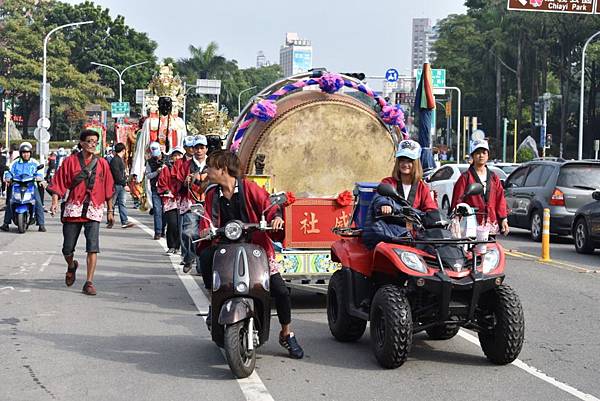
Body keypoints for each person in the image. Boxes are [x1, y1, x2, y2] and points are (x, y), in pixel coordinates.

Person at [197, 150, 304, 359]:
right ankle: (214, 303)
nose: (207, 170)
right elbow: (207, 218)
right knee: (206, 258)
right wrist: (204, 229)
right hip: (225, 249)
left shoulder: (249, 188)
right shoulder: (212, 194)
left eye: (211, 166)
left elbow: (269, 207)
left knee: (280, 290)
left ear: (223, 168)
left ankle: (286, 332)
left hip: (256, 250)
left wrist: (276, 218)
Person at [48, 129, 115, 296]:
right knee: (67, 248)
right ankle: (71, 265)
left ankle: (89, 282)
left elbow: (108, 188)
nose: (93, 144)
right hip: (73, 208)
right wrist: (55, 202)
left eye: (95, 142)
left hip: (93, 209)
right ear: (82, 143)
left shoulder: (103, 164)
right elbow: (59, 182)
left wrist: (110, 211)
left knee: (92, 247)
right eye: (90, 141)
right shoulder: (70, 162)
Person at [362, 140, 438, 248]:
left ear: (416, 163)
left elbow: (430, 210)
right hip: (391, 235)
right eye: (402, 160)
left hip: (415, 237)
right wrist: (386, 205)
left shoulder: (422, 187)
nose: (405, 164)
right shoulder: (388, 182)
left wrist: (434, 217)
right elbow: (380, 197)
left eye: (410, 161)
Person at [451, 138, 509, 235]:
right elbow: (457, 201)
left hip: (490, 224)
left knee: (491, 249)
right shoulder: (465, 177)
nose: (481, 155)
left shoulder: (494, 177)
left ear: (488, 155)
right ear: (473, 156)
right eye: (477, 153)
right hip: (470, 225)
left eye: (484, 152)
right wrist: (457, 219)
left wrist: (503, 219)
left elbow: (500, 199)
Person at [174, 135, 208, 273]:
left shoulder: (212, 164)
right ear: (192, 149)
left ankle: (202, 265)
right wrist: (185, 183)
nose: (199, 151)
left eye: (202, 147)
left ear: (206, 149)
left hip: (208, 204)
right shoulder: (185, 166)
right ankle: (189, 256)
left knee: (206, 235)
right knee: (189, 233)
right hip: (191, 203)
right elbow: (176, 185)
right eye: (196, 148)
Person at [1, 142, 46, 232]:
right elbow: (8, 171)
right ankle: (6, 223)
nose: (26, 154)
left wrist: (40, 179)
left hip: (31, 185)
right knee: (10, 201)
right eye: (24, 152)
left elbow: (40, 172)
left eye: (28, 152)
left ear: (30, 153)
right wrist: (7, 177)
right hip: (17, 185)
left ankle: (41, 224)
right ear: (21, 153)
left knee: (38, 202)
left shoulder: (34, 162)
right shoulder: (15, 163)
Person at [157, 146, 184, 253]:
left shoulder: (184, 167)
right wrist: (167, 191)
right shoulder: (166, 168)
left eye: (179, 155)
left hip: (181, 198)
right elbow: (161, 182)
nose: (177, 157)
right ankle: (171, 245)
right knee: (172, 223)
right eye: (175, 155)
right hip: (169, 199)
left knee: (179, 224)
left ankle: (177, 246)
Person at [108, 143, 134, 229]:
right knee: (112, 203)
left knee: (122, 203)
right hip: (116, 185)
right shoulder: (115, 160)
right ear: (123, 150)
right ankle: (110, 220)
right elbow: (117, 174)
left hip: (121, 184)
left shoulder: (119, 159)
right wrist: (124, 184)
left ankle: (124, 221)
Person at [145, 142, 165, 239]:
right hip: (155, 188)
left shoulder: (167, 159)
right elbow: (148, 175)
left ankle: (163, 229)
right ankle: (158, 231)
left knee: (166, 211)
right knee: (157, 210)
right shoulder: (149, 162)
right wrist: (156, 172)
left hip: (166, 188)